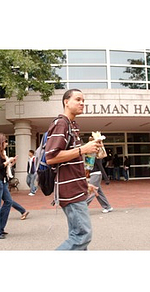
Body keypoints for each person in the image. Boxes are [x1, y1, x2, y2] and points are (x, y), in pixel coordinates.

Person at [45, 89, 102, 250]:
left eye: (83, 100)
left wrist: (85, 184)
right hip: (70, 191)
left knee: (78, 237)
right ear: (66, 102)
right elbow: (51, 157)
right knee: (82, 235)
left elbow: (72, 162)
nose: (82, 103)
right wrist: (83, 149)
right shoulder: (61, 123)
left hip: (77, 188)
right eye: (78, 99)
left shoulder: (73, 125)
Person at [0, 133, 18, 239]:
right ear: (0, 142)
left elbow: (3, 167)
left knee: (8, 202)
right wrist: (7, 162)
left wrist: (11, 162)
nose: (7, 143)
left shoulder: (1, 153)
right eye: (5, 141)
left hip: (3, 181)